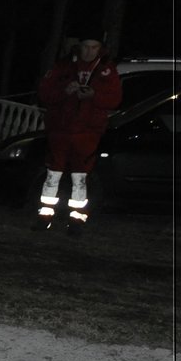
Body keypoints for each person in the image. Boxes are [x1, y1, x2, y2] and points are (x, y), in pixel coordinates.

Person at [34, 32, 122, 233]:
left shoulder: (106, 69)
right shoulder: (64, 66)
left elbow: (115, 99)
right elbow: (45, 93)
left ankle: (76, 220)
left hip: (88, 133)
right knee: (53, 174)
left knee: (80, 177)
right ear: (78, 46)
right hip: (60, 131)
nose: (89, 52)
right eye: (85, 47)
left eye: (94, 47)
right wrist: (65, 91)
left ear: (100, 48)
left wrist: (94, 95)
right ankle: (44, 217)